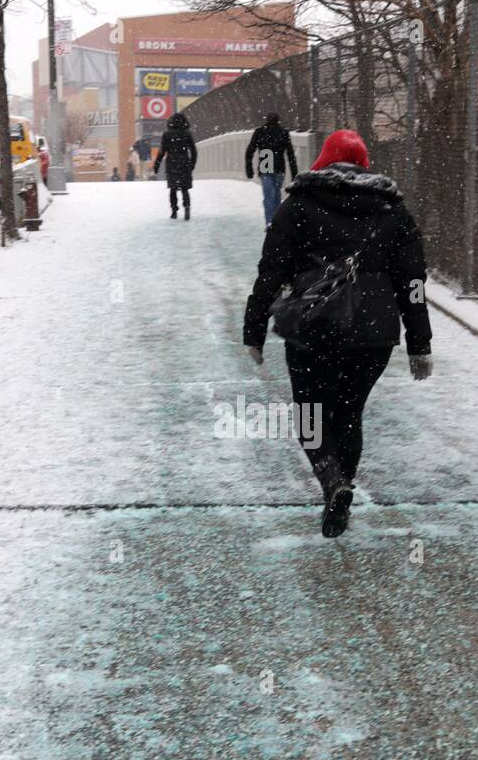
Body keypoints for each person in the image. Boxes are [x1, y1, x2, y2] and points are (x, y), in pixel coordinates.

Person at [244, 130, 433, 538]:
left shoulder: (298, 206)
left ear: (322, 162)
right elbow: (412, 281)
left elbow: (271, 272)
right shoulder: (393, 210)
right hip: (375, 334)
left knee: (310, 414)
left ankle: (333, 483)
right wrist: (420, 342)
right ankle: (342, 488)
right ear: (364, 165)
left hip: (313, 329)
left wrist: (254, 328)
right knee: (349, 412)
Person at [244, 112, 299, 226]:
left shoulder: (260, 132)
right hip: (279, 167)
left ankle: (270, 223)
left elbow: (250, 150)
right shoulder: (283, 133)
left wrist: (249, 168)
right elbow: (290, 154)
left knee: (269, 195)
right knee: (276, 195)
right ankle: (277, 221)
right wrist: (294, 173)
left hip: (266, 164)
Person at [153, 113, 197, 219]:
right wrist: (192, 164)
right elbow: (193, 150)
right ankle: (187, 208)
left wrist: (157, 164)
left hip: (172, 163)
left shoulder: (167, 134)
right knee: (184, 188)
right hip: (184, 163)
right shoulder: (187, 134)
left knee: (173, 189)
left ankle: (174, 211)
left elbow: (162, 152)